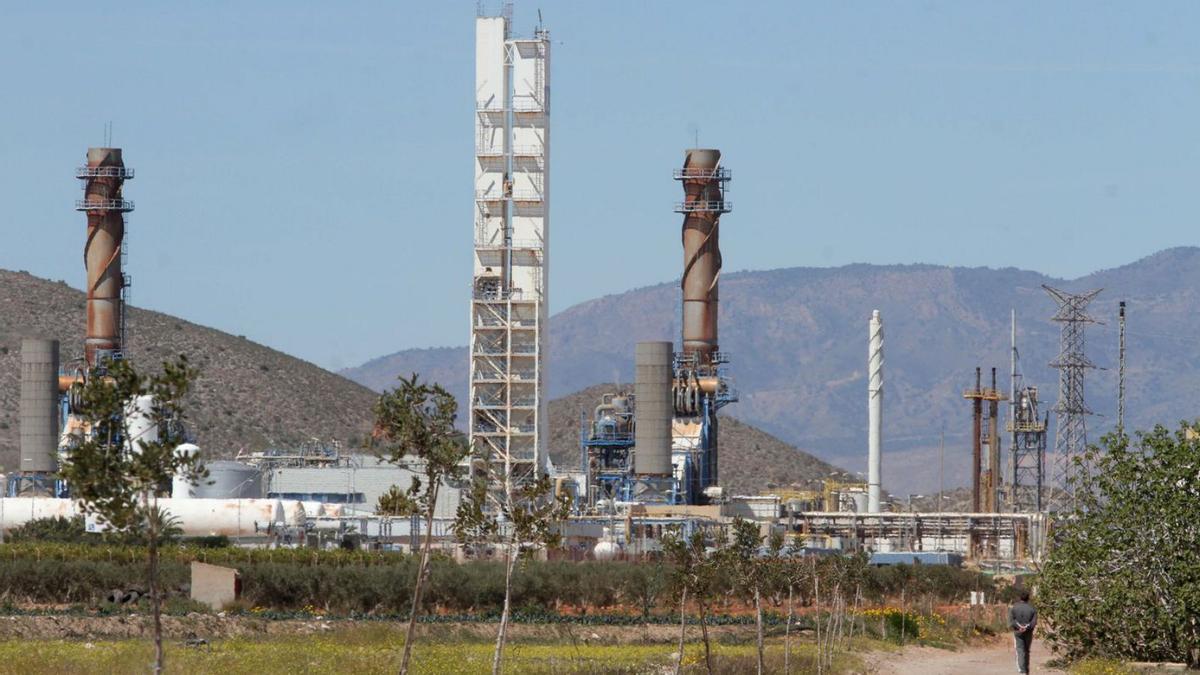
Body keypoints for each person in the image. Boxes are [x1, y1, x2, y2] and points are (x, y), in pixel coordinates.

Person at [1009, 588, 1037, 673]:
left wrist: (1019, 627)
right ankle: (1026, 668)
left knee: (1020, 650)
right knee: (1027, 650)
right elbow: (1034, 622)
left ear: (1020, 598)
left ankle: (1022, 671)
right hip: (1028, 632)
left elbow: (1011, 621)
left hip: (1018, 632)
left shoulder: (1014, 608)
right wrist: (1026, 627)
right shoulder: (1032, 609)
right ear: (1028, 598)